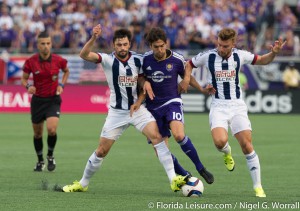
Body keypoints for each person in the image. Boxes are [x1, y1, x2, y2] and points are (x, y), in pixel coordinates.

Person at [62, 24, 186, 193]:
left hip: (138, 110)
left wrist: (145, 82)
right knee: (101, 150)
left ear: (130, 45)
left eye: (125, 44)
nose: (122, 47)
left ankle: (173, 179)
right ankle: (83, 183)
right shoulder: (107, 60)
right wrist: (93, 38)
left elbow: (143, 78)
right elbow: (83, 54)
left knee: (157, 137)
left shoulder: (138, 60)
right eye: (119, 44)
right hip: (117, 113)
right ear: (114, 45)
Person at [185, 28, 286, 197]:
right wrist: (187, 79)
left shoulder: (240, 55)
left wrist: (273, 53)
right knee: (219, 142)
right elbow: (189, 64)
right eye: (219, 44)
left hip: (237, 106)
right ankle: (227, 152)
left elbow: (262, 60)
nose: (221, 49)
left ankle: (258, 186)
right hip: (218, 106)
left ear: (233, 44)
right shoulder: (208, 56)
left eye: (225, 46)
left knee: (247, 145)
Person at [134, 27, 214, 184]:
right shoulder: (145, 59)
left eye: (162, 45)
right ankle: (185, 175)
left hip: (172, 102)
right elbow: (140, 78)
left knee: (178, 135)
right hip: (152, 108)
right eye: (156, 47)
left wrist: (201, 89)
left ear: (166, 43)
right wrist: (145, 82)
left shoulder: (177, 59)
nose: (160, 49)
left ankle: (200, 168)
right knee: (161, 150)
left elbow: (187, 75)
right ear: (150, 46)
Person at [21, 31, 70, 172]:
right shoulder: (31, 61)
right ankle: (40, 160)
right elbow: (23, 79)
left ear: (51, 44)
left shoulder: (58, 60)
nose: (46, 46)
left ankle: (50, 156)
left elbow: (66, 71)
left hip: (53, 99)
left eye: (48, 43)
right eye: (43, 44)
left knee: (52, 129)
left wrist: (62, 85)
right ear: (38, 45)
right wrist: (28, 86)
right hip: (37, 101)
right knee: (37, 134)